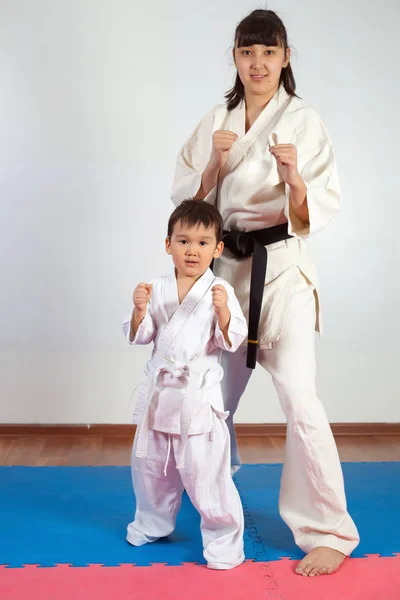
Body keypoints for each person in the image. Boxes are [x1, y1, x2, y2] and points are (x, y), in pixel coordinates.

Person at [171, 9, 360, 577]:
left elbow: (318, 205)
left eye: (269, 52)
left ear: (284, 58)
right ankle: (212, 501)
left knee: (301, 398)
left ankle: (328, 528)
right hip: (223, 272)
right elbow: (187, 200)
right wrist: (213, 164)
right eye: (247, 52)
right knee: (208, 397)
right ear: (235, 56)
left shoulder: (303, 121)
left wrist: (296, 180)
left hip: (280, 275)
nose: (258, 63)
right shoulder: (217, 119)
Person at [122, 199, 248, 570]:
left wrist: (224, 312)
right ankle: (152, 522)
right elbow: (141, 336)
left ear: (218, 248)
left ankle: (224, 539)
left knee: (206, 474)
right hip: (160, 397)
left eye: (203, 242)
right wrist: (139, 311)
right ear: (168, 245)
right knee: (151, 469)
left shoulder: (218, 291)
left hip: (197, 399)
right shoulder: (155, 287)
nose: (193, 250)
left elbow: (232, 341)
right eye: (183, 241)